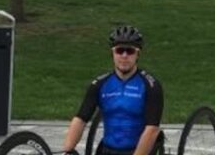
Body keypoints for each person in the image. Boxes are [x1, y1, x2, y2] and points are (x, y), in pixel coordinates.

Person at [59, 26, 164, 155]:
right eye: (120, 50)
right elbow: (80, 119)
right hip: (107, 150)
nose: (124, 55)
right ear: (112, 53)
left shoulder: (151, 86)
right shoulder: (99, 84)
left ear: (138, 54)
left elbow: (152, 129)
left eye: (130, 51)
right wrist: (67, 150)